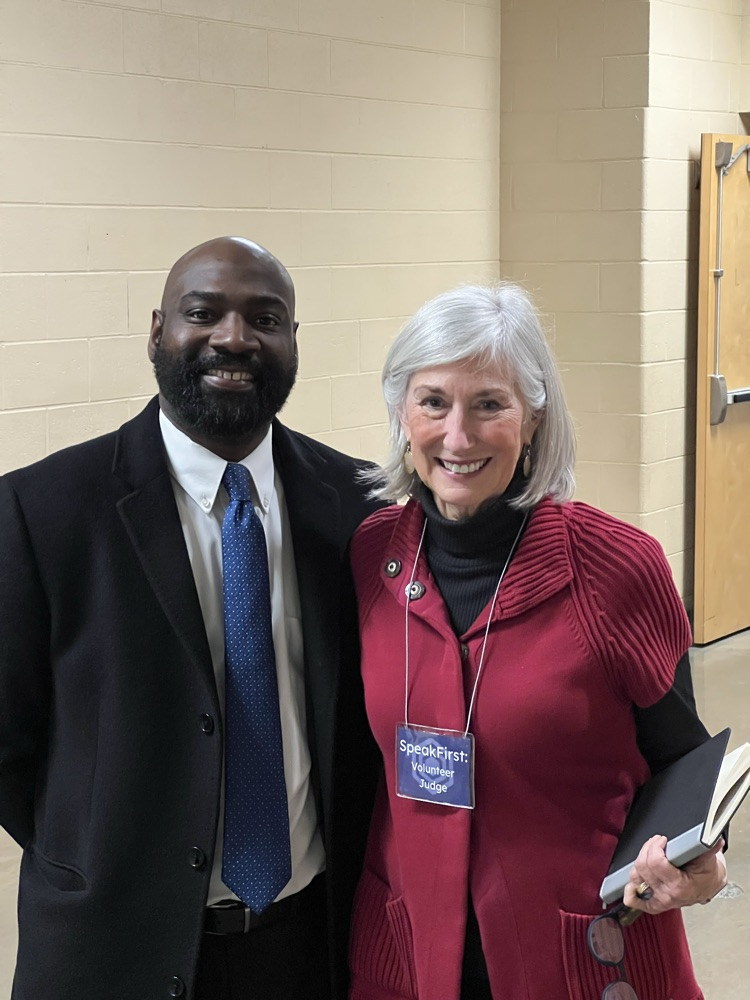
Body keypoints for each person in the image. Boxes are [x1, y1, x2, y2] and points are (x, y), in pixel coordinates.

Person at [0, 236, 382, 1000]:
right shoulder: (41, 511)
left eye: (264, 319)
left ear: (293, 343)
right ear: (156, 332)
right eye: (203, 313)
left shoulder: (357, 505)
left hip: (312, 942)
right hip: (115, 947)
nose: (234, 339)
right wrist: (92, 847)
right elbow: (8, 744)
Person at [347, 283, 727, 1000]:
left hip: (582, 956)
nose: (457, 436)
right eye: (433, 402)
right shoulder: (373, 558)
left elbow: (682, 764)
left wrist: (697, 860)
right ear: (402, 412)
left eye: (490, 404)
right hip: (410, 959)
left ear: (533, 419)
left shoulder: (616, 568)